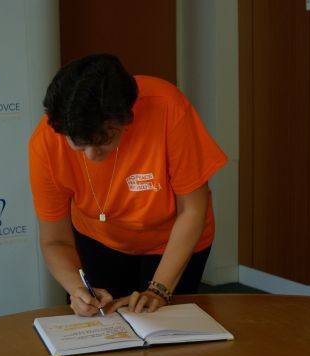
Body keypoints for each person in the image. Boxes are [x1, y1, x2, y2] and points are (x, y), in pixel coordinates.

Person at [29, 53, 227, 316]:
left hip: (174, 238)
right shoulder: (46, 142)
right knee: (104, 323)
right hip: (98, 239)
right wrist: (78, 288)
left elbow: (192, 209)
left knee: (165, 327)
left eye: (104, 141)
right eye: (79, 145)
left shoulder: (166, 106)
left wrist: (159, 290)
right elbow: (55, 240)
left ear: (126, 119)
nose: (91, 155)